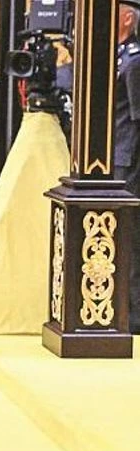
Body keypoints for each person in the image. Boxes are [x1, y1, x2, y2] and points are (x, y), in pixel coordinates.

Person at [114, 0, 140, 334]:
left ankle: (133, 315)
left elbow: (136, 121)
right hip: (115, 157)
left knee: (130, 236)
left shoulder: (134, 61)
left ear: (128, 17)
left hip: (127, 159)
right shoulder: (119, 56)